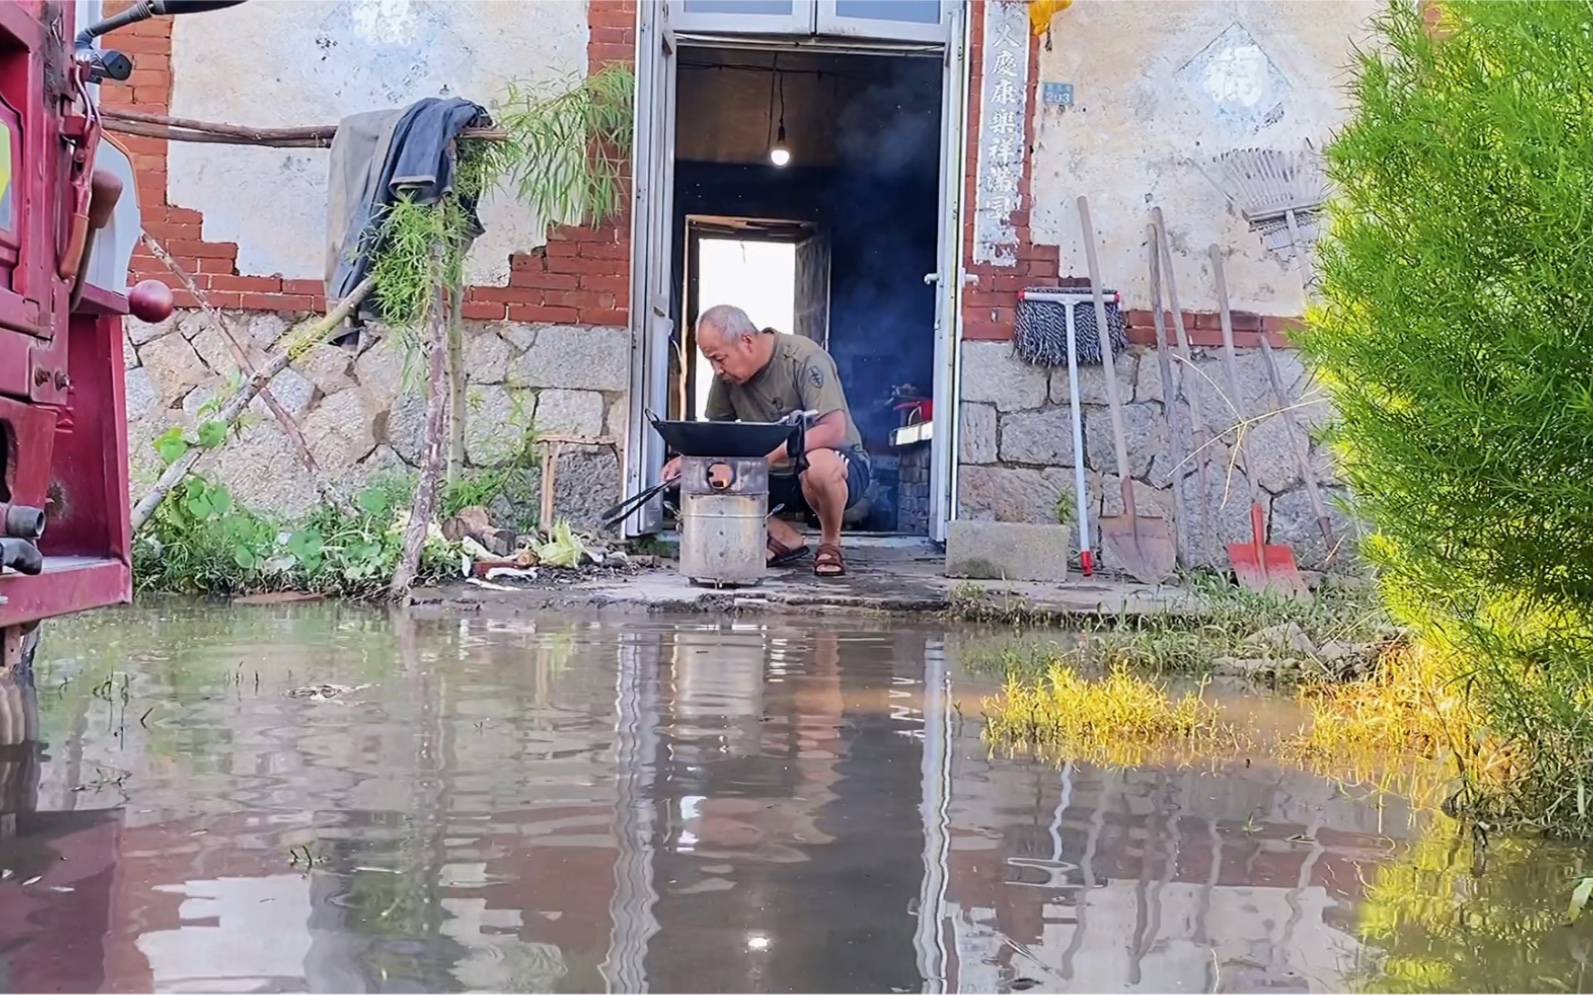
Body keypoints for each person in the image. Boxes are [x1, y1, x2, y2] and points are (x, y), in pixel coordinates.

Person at [663, 304, 869, 578]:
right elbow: (717, 433)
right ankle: (784, 537)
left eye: (719, 359)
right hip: (769, 473)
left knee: (819, 464)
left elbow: (833, 430)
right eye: (710, 361)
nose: (717, 369)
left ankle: (830, 543)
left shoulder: (805, 358)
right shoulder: (727, 379)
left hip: (837, 467)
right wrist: (688, 460)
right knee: (697, 476)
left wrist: (769, 456)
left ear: (746, 341)